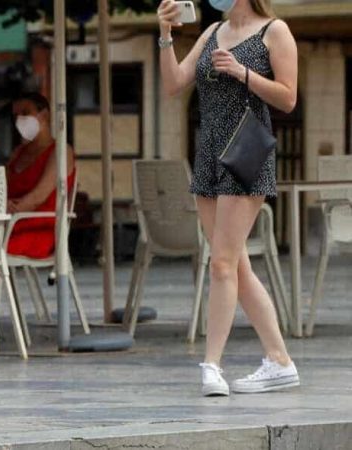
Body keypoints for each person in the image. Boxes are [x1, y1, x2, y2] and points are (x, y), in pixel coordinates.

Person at [158, 0, 299, 396]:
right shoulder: (211, 31)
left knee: (220, 263)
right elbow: (173, 84)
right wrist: (166, 36)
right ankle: (280, 360)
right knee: (235, 265)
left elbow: (288, 98)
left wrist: (242, 72)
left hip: (247, 151)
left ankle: (212, 366)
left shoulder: (274, 31)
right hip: (210, 153)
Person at [0, 92, 76, 339]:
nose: (20, 120)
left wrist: (14, 208)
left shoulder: (61, 151)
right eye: (16, 115)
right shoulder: (18, 153)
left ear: (44, 114)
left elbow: (38, 196)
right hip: (9, 224)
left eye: (25, 113)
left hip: (40, 228)